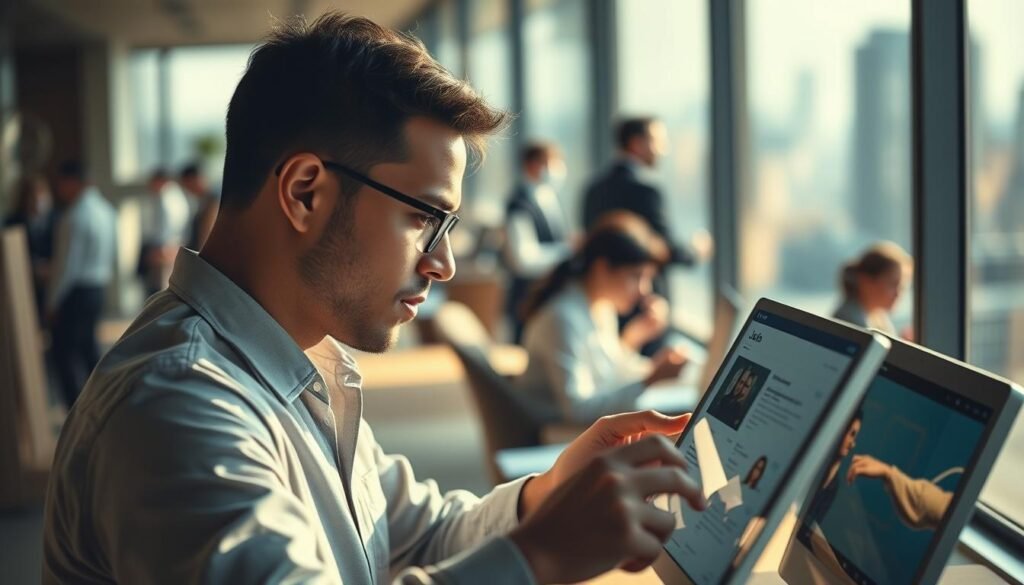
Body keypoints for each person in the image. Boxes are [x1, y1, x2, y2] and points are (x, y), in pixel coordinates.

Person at [42, 14, 707, 585]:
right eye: (425, 219)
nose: (442, 263)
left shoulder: (302, 363)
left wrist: (547, 495)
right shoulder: (176, 405)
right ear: (305, 190)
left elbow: (417, 535)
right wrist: (539, 555)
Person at [515, 211, 690, 424]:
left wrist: (634, 339)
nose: (645, 290)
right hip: (559, 434)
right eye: (636, 276)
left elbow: (605, 377)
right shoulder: (562, 318)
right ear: (602, 268)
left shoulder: (601, 306)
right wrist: (651, 379)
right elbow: (579, 410)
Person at [581, 117, 712, 353]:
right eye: (658, 141)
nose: (663, 149)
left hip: (602, 302)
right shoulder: (646, 190)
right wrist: (696, 252)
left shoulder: (593, 188)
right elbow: (663, 250)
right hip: (645, 306)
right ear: (637, 143)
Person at [46, 160, 117, 408]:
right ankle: (101, 405)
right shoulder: (107, 210)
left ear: (72, 182)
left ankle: (76, 410)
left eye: (61, 183)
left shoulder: (74, 215)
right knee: (88, 349)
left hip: (74, 291)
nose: (59, 188)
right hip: (97, 287)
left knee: (63, 353)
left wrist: (52, 301)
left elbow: (67, 266)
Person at [504, 141, 573, 342]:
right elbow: (523, 260)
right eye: (552, 163)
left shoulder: (548, 197)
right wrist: (567, 250)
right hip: (528, 299)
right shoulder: (519, 204)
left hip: (551, 296)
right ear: (533, 165)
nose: (559, 170)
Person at [4, 174, 58, 321]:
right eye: (33, 194)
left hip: (52, 285)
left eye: (42, 193)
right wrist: (34, 267)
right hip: (23, 285)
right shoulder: (13, 222)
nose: (38, 199)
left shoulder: (57, 220)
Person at [833, 242, 913, 336]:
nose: (898, 294)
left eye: (902, 287)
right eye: (893, 284)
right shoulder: (849, 325)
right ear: (866, 282)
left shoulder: (878, 318)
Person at [139, 168, 191, 295]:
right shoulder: (176, 194)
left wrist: (160, 249)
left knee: (159, 287)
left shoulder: (166, 196)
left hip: (162, 246)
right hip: (172, 245)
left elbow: (165, 226)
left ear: (159, 181)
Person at [179, 162, 219, 250]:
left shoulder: (212, 200)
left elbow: (207, 233)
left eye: (186, 184)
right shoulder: (204, 200)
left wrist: (200, 258)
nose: (187, 189)